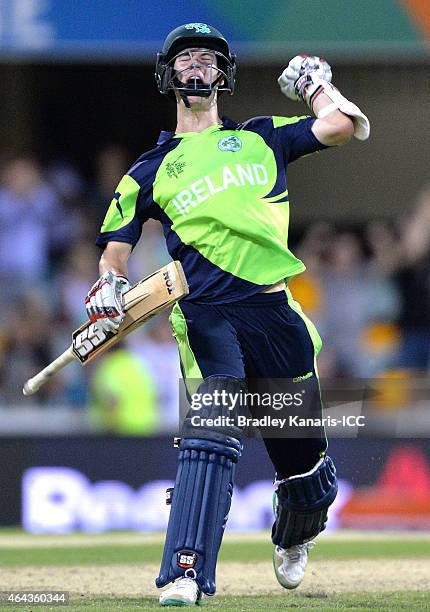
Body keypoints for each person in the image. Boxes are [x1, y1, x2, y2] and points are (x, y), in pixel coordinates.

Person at [85, 23, 369, 607]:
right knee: (210, 437)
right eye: (185, 60)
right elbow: (113, 250)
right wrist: (109, 287)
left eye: (207, 60)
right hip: (206, 312)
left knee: (310, 479)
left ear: (222, 74)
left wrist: (316, 85)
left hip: (275, 314)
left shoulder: (264, 137)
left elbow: (343, 127)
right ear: (170, 77)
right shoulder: (150, 168)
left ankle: (295, 529)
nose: (196, 67)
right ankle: (183, 573)